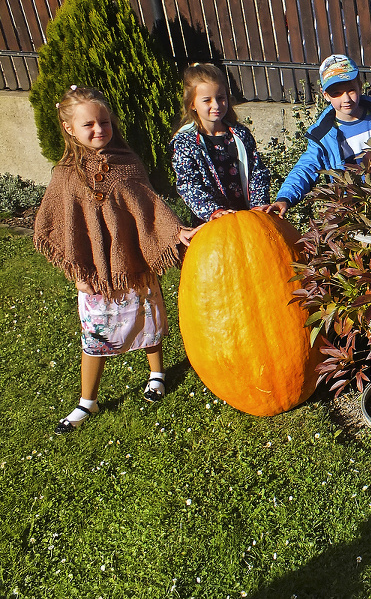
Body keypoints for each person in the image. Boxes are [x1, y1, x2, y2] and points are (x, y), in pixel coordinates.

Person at [33, 86, 198, 434]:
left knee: (148, 322)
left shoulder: (127, 162)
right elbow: (58, 224)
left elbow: (149, 204)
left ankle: (157, 374)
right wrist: (76, 270)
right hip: (95, 273)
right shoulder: (65, 174)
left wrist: (173, 232)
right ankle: (87, 402)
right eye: (88, 124)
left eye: (104, 122)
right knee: (95, 338)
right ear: (69, 129)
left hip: (135, 265)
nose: (98, 130)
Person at [269, 54, 371, 214]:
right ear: (325, 95)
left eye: (351, 90)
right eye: (336, 93)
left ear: (360, 85)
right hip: (354, 214)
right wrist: (285, 198)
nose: (346, 99)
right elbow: (306, 168)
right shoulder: (324, 135)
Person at [170, 63, 272, 222]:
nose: (216, 105)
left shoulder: (240, 134)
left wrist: (259, 205)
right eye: (207, 100)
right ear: (192, 104)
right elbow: (189, 185)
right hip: (212, 224)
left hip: (248, 219)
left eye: (220, 98)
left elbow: (257, 172)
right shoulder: (185, 142)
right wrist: (213, 211)